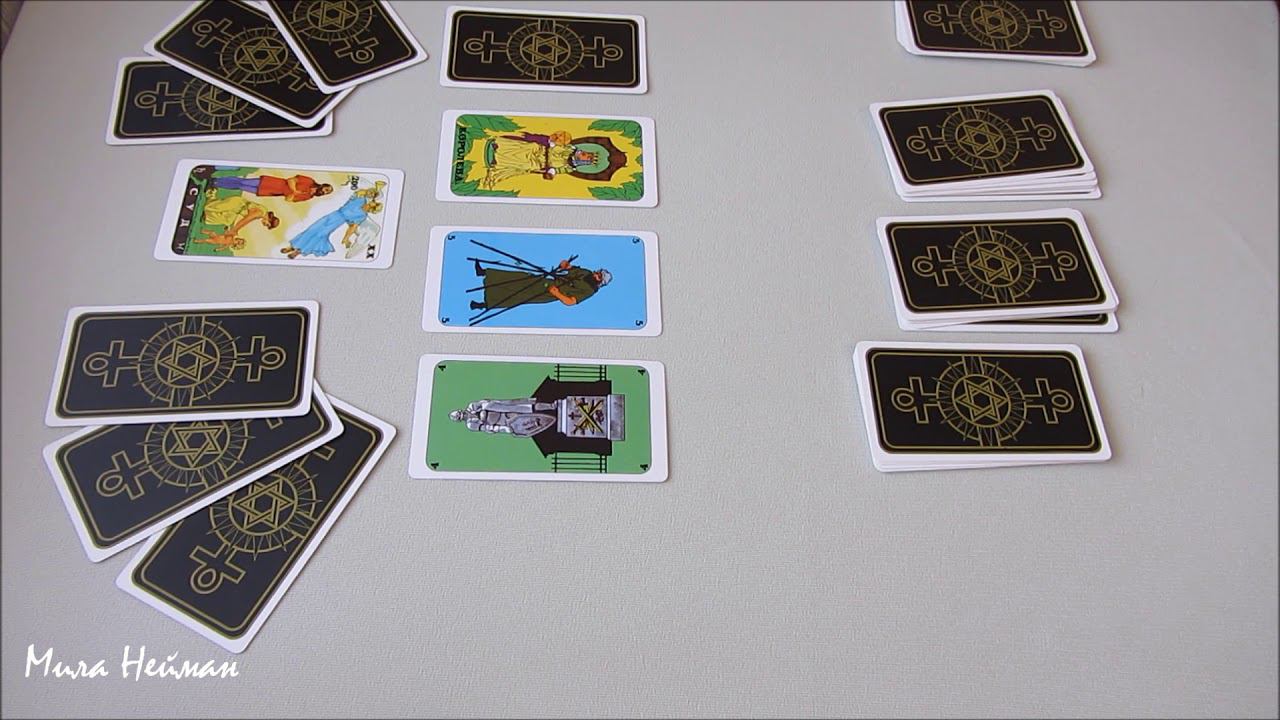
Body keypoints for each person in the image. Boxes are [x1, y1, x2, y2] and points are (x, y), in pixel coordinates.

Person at [470, 258, 611, 312]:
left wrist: (557, 293)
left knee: (519, 296)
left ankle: (483, 305)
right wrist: (565, 265)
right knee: (520, 278)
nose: (596, 274)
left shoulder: (589, 291)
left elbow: (571, 301)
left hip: (549, 293)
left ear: (600, 282)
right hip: (549, 281)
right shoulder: (586, 272)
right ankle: (485, 273)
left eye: (599, 276)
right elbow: (570, 268)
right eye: (598, 272)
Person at [279, 189, 384, 260]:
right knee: (312, 229)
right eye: (373, 201)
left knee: (320, 235)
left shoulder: (362, 215)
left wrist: (346, 238)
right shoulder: (361, 199)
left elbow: (353, 227)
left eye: (373, 204)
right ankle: (293, 246)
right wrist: (370, 192)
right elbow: (358, 193)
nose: (372, 202)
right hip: (332, 215)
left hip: (337, 221)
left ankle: (298, 251)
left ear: (372, 208)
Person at [482, 130, 597, 188]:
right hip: (542, 151)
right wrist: (553, 145)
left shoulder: (570, 168)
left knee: (527, 165)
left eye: (587, 157)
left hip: (542, 163)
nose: (584, 154)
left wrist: (551, 172)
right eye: (586, 153)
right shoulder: (570, 149)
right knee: (531, 146)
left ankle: (498, 160)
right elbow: (557, 147)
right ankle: (500, 146)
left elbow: (557, 170)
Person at [199, 193, 279, 246]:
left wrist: (234, 230)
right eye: (267, 224)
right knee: (209, 207)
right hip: (236, 203)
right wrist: (234, 230)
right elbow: (245, 220)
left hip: (236, 210)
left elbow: (247, 221)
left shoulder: (261, 214)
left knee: (228, 221)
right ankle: (211, 194)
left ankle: (207, 216)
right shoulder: (260, 212)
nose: (264, 225)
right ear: (269, 219)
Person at [449, 399, 558, 437]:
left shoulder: (472, 406)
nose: (463, 415)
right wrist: (503, 429)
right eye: (460, 417)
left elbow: (485, 403)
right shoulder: (471, 425)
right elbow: (486, 428)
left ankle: (551, 406)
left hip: (503, 409)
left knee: (528, 407)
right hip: (502, 422)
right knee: (525, 425)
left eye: (460, 413)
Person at [210, 174, 333, 202]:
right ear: (323, 185)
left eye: (326, 193)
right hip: (272, 182)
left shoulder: (308, 197)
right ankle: (218, 179)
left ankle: (216, 184)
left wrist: (293, 195)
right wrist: (294, 190)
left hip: (271, 191)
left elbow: (289, 200)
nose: (324, 192)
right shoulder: (310, 181)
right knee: (243, 181)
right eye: (326, 190)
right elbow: (291, 180)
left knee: (241, 186)